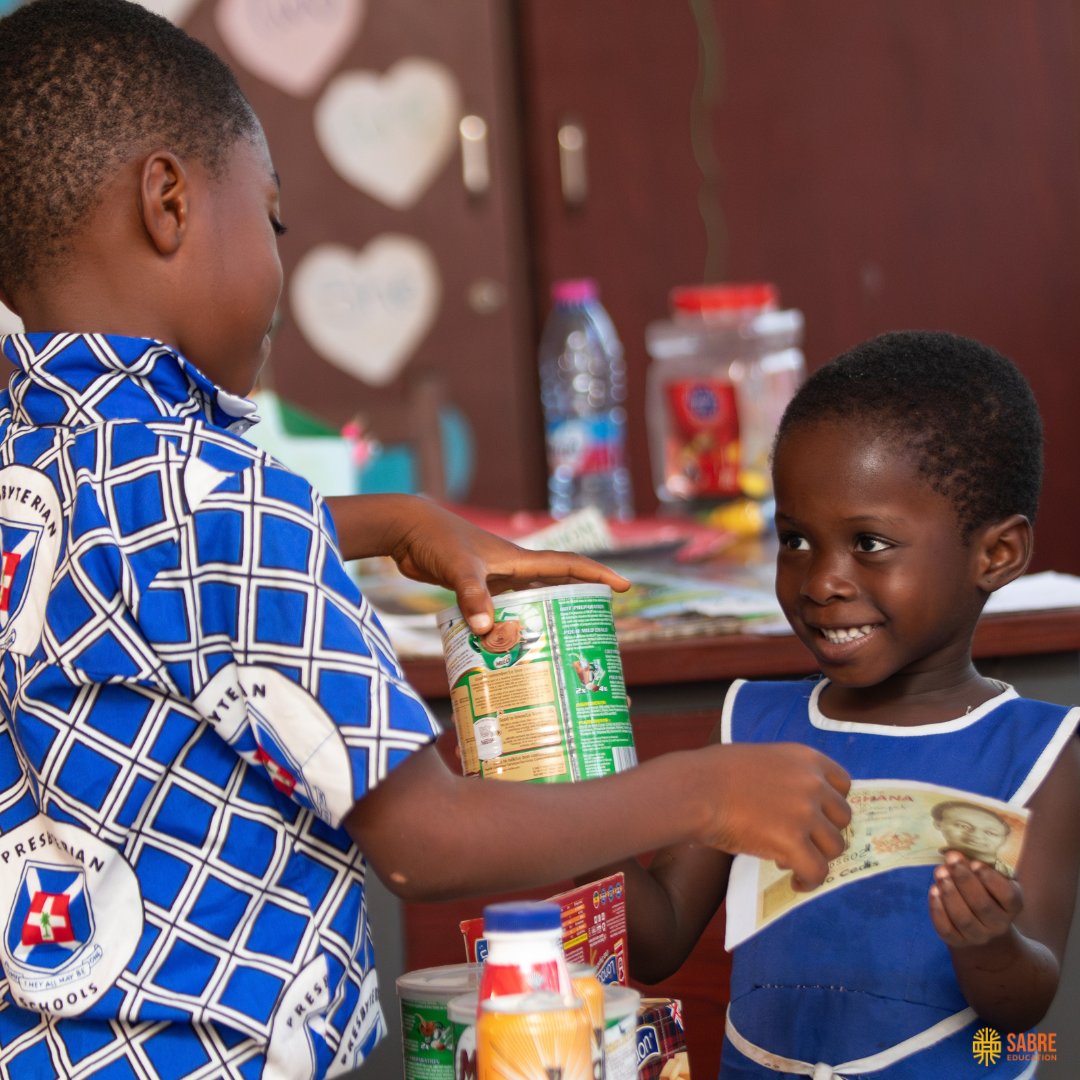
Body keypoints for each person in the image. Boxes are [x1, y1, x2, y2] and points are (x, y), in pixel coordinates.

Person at [0, 3, 852, 1077]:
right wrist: (709, 791)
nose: (279, 264)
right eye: (271, 219)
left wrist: (393, 521)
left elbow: (127, 564)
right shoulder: (232, 498)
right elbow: (425, 841)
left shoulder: (36, 460)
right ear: (168, 203)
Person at [610, 330, 1080, 1078]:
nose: (822, 581)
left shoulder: (1036, 752)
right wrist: (576, 795)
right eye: (796, 540)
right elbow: (657, 941)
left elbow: (1024, 1009)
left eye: (869, 543)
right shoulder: (753, 728)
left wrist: (989, 944)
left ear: (996, 555)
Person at [931, 801, 1013, 874]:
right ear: (938, 825)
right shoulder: (928, 859)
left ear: (1004, 839)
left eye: (990, 833)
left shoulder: (1011, 875)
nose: (976, 835)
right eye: (963, 826)